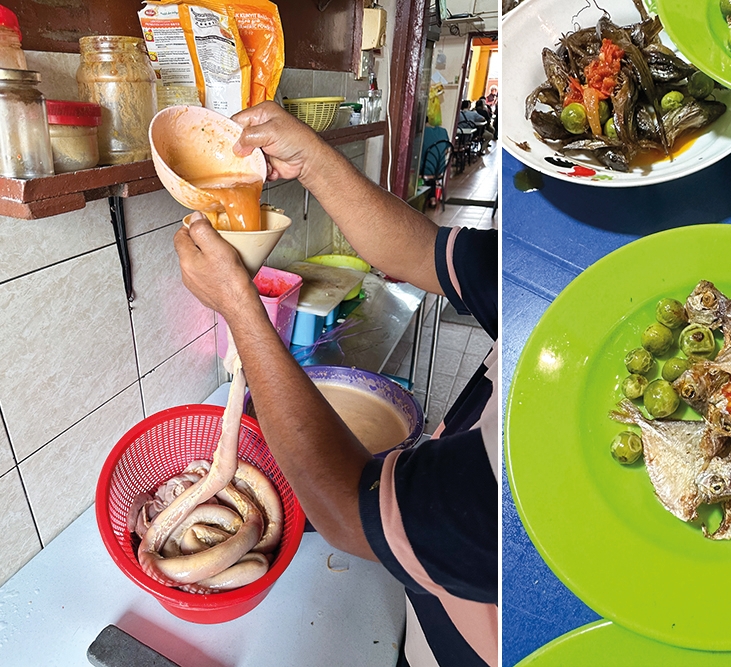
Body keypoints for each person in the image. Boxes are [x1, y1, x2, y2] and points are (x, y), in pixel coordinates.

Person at [173, 101, 498, 667]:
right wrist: (314, 161)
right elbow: (421, 252)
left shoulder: (534, 474)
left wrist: (239, 308)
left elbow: (348, 511)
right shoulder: (558, 283)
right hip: (434, 595)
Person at [420, 116, 450, 207]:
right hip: (439, 169)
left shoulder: (421, 134)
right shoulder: (443, 132)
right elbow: (446, 151)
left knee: (418, 164)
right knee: (430, 163)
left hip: (425, 170)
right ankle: (432, 198)